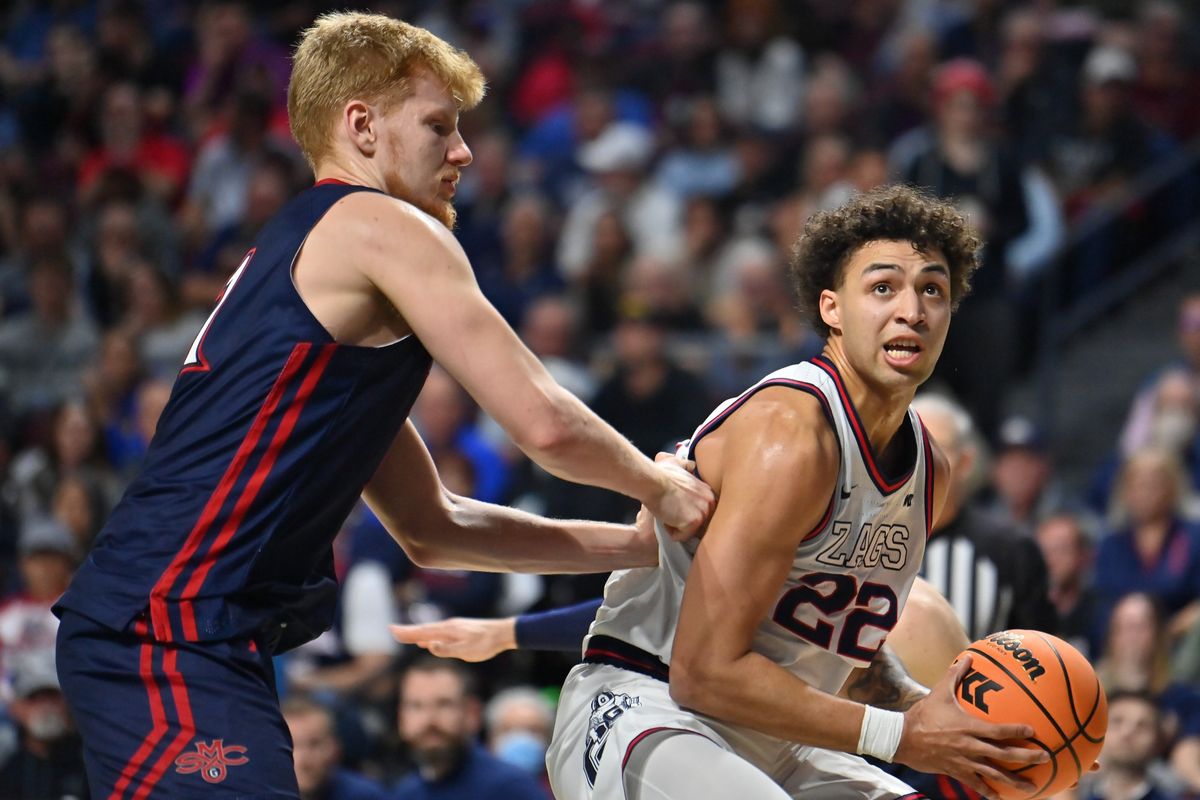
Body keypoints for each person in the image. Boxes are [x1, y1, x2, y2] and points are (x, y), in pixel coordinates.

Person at [52, 13, 713, 799]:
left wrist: (637, 548)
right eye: (439, 126)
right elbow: (541, 421)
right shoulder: (380, 225)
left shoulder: (322, 283)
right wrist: (661, 486)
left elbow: (435, 528)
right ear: (361, 126)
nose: (463, 152)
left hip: (170, 633)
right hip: (169, 630)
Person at [543, 185, 1047, 800]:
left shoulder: (929, 470)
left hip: (779, 736)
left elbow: (844, 657)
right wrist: (903, 735)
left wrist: (952, 726)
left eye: (932, 290)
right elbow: (703, 675)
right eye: (883, 287)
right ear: (832, 309)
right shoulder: (792, 434)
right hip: (645, 705)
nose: (912, 310)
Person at [913, 394, 1057, 641]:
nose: (922, 457)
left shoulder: (1010, 550)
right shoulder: (859, 538)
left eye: (936, 445)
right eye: (910, 443)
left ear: (965, 463)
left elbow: (1042, 657)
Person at [395, 657, 548, 800]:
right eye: (416, 706)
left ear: (471, 713)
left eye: (444, 704)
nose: (429, 719)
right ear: (401, 717)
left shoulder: (511, 788)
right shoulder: (405, 793)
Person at [283, 695, 389, 800]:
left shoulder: (367, 796)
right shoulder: (268, 794)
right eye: (291, 745)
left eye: (315, 744)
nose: (304, 760)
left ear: (335, 748)